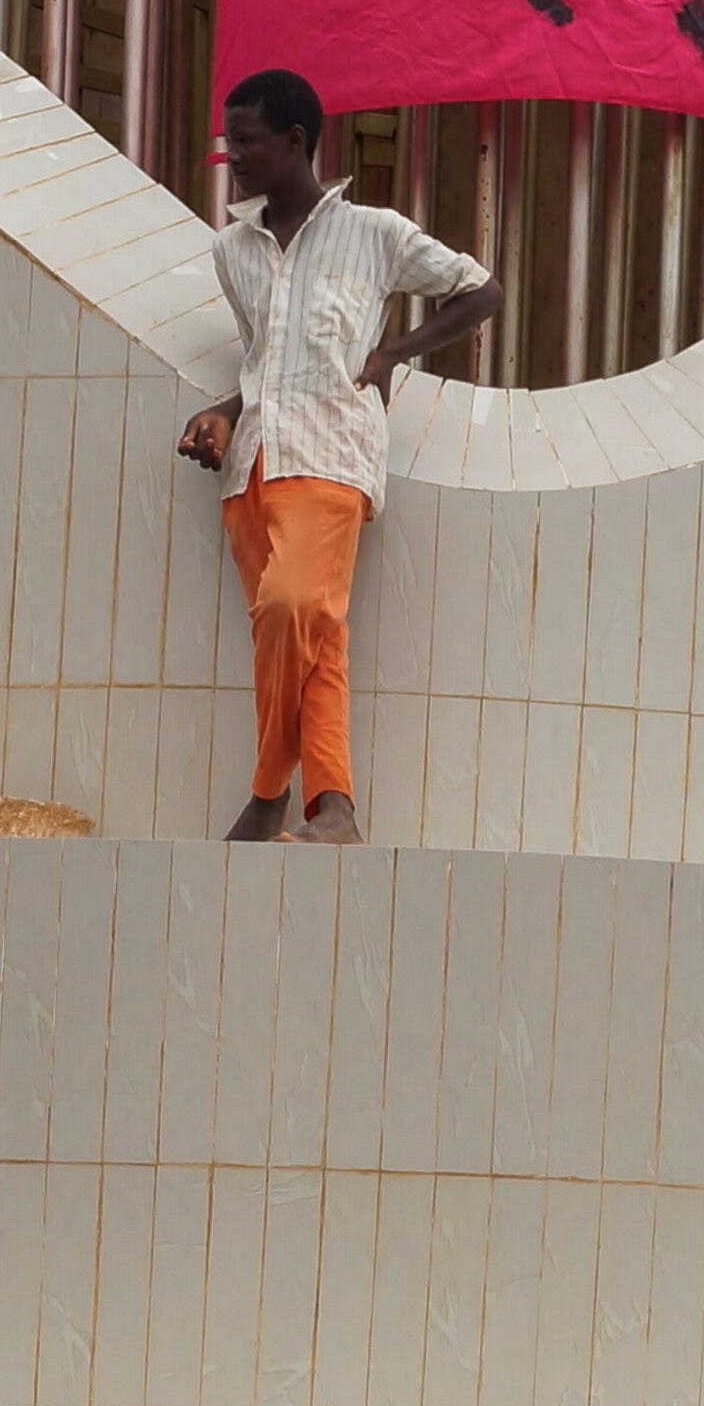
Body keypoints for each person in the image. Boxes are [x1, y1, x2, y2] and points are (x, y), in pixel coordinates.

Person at [172, 68, 498, 847]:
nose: (235, 156)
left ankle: (266, 791)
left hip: (331, 455)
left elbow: (480, 290)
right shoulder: (232, 250)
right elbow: (263, 361)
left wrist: (392, 355)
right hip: (250, 466)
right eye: (230, 140)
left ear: (295, 141)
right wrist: (221, 412)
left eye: (247, 140)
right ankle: (335, 811)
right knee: (313, 642)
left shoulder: (375, 232)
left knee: (296, 608)